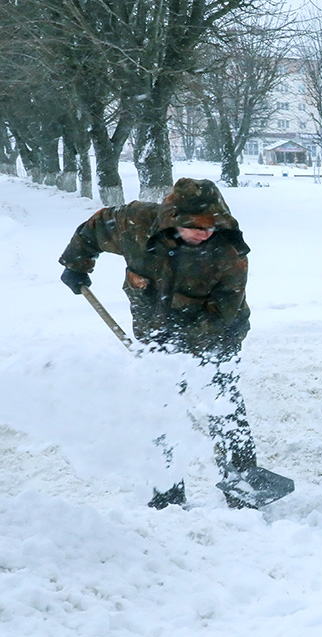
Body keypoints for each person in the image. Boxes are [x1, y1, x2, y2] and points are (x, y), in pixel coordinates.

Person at [58, 177, 267, 508]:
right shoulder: (136, 224)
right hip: (155, 337)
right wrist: (76, 264)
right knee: (160, 413)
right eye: (194, 226)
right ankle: (166, 494)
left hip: (216, 338)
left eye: (211, 225)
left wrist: (181, 345)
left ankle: (243, 487)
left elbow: (223, 314)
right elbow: (95, 228)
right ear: (173, 220)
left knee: (224, 409)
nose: (204, 233)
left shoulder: (229, 254)